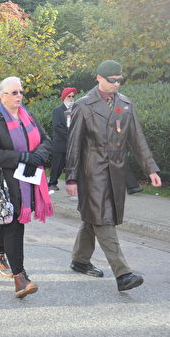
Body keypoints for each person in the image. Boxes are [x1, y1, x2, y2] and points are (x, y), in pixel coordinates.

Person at [65, 60, 162, 292]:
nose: (117, 84)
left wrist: (151, 168)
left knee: (93, 217)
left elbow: (137, 138)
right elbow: (74, 145)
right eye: (112, 80)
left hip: (116, 173)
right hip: (92, 173)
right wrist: (71, 177)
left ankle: (80, 260)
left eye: (120, 80)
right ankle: (123, 274)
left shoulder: (126, 104)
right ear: (99, 78)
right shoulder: (83, 105)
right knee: (103, 218)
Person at [0, 76, 53, 298]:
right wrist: (23, 157)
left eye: (21, 92)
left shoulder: (28, 116)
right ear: (2, 96)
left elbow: (46, 140)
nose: (19, 96)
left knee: (12, 220)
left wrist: (38, 155)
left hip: (29, 180)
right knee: (15, 224)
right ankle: (20, 278)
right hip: (7, 182)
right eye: (13, 92)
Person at [48, 87, 76, 191]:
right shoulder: (58, 110)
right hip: (60, 143)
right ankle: (52, 183)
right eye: (69, 96)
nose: (71, 98)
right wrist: (70, 136)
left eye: (73, 96)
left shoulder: (74, 110)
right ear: (64, 97)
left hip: (70, 144)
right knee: (57, 165)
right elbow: (57, 127)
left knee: (69, 164)